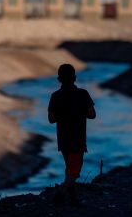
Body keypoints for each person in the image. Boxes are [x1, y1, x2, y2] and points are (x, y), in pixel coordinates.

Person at [48, 63, 96, 206]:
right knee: (73, 171)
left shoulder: (55, 96)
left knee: (70, 169)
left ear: (59, 79)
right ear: (74, 78)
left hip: (63, 140)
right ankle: (61, 194)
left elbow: (51, 119)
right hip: (78, 139)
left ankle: (74, 200)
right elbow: (92, 115)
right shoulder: (83, 93)